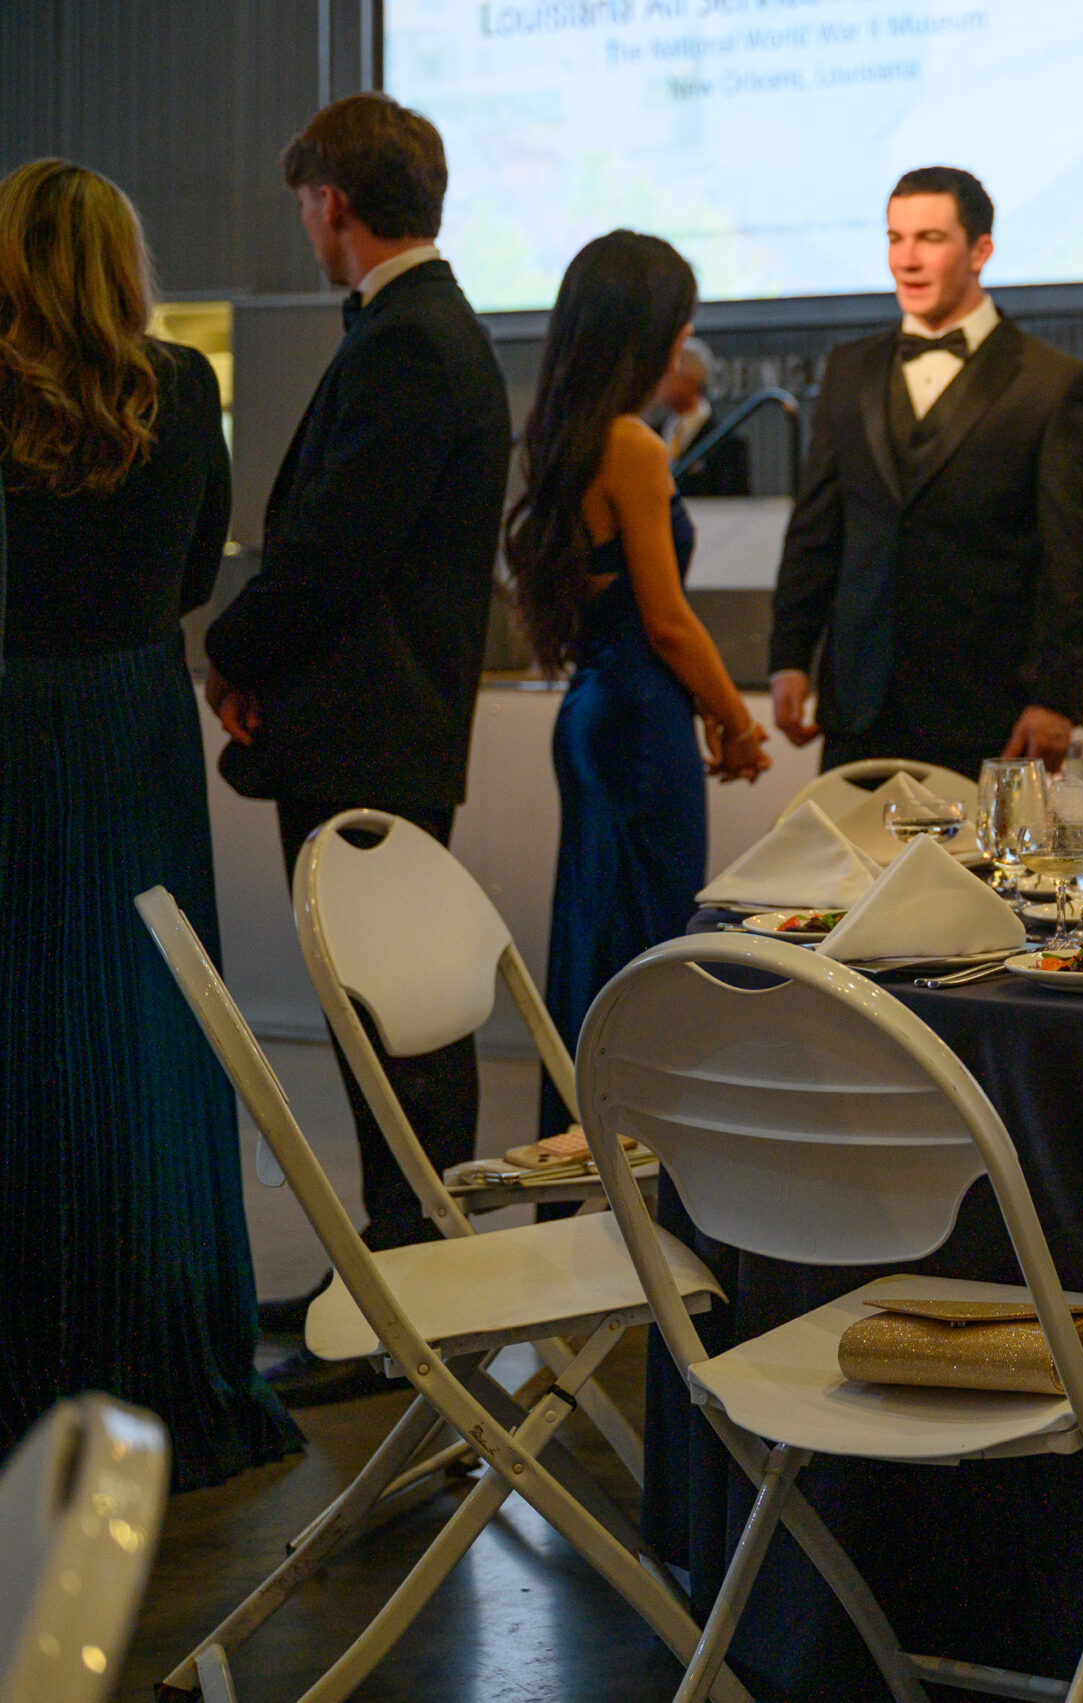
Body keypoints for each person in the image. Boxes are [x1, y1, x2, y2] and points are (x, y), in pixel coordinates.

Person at [203, 94, 511, 1399]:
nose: (305, 223)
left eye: (303, 204)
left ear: (332, 202)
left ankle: (409, 1306)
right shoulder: (428, 328)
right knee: (386, 1025)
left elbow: (335, 545)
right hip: (382, 729)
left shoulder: (407, 340)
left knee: (396, 1032)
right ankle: (388, 1274)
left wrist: (230, 650)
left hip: (369, 734)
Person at [0, 159, 298, 1488]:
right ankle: (164, 1344)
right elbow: (191, 573)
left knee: (27, 1032)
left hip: (17, 722)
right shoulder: (178, 388)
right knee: (152, 1026)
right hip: (133, 720)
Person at [506, 232, 769, 1141]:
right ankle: (646, 1171)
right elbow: (668, 621)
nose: (684, 337)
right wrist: (737, 721)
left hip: (595, 710)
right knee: (651, 948)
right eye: (678, 320)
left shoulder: (564, 435)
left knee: (593, 938)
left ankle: (584, 1160)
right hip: (641, 720)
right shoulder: (632, 444)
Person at [769, 166, 1083, 776]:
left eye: (929, 239)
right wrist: (789, 656)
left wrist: (1056, 697)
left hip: (988, 713)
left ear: (981, 251)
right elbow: (816, 528)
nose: (907, 260)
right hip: (859, 708)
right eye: (895, 239)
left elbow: (1072, 558)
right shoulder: (849, 369)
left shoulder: (1053, 384)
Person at [653, 335, 750, 499]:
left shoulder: (728, 445)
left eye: (666, 374)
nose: (658, 382)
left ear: (691, 379)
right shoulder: (652, 433)